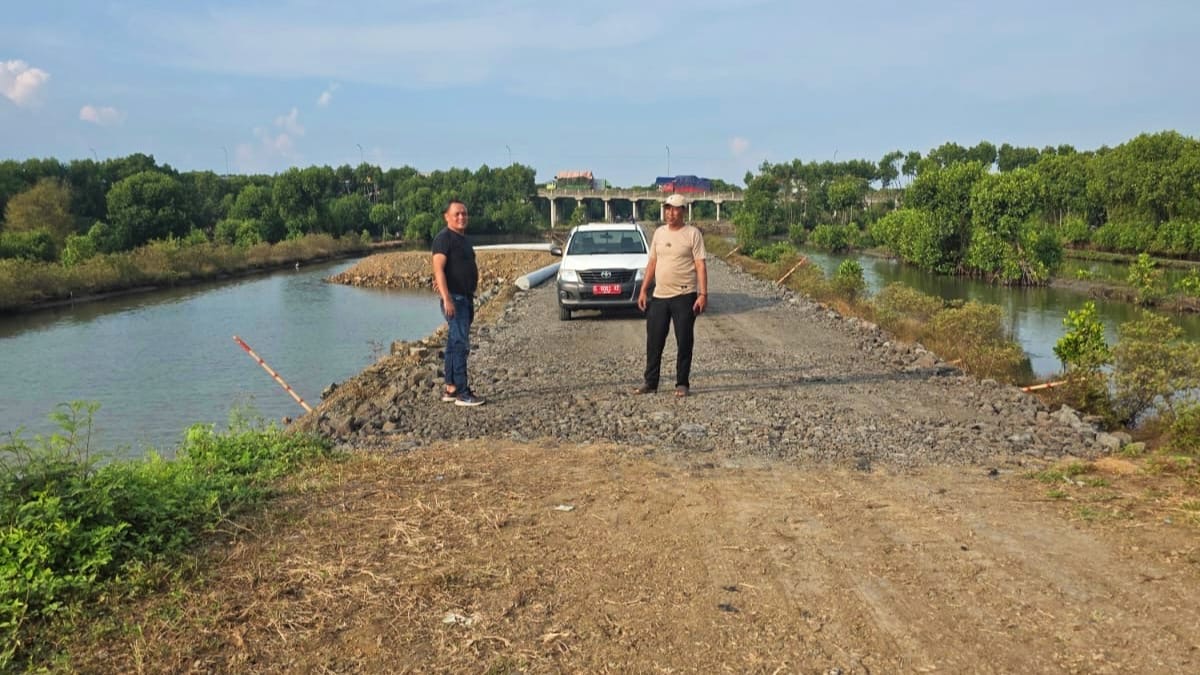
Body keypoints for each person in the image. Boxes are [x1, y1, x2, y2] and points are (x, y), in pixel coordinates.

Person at [634, 193, 708, 397]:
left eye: (675, 209)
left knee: (684, 340)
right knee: (654, 340)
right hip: (659, 295)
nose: (670, 213)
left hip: (685, 295)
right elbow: (652, 263)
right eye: (668, 208)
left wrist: (703, 294)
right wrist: (643, 290)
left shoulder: (693, 234)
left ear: (683, 211)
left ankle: (682, 383)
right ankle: (651, 382)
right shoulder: (659, 233)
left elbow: (700, 264)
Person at [431, 198, 485, 406]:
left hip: (465, 297)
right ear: (447, 217)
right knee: (461, 344)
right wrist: (447, 299)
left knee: (454, 343)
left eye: (464, 213)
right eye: (457, 214)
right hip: (455, 299)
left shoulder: (463, 239)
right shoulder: (444, 239)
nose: (461, 217)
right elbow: (438, 269)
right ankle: (463, 392)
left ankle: (451, 387)